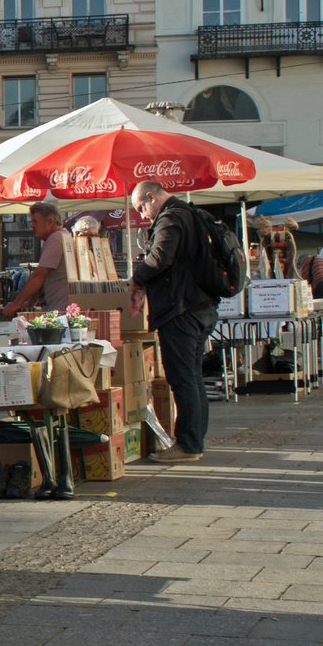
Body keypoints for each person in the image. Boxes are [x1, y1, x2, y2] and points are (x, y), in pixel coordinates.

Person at [129, 181, 221, 464]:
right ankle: (194, 441)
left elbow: (159, 258)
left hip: (181, 310)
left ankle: (188, 445)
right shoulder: (190, 213)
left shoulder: (171, 217)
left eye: (142, 208)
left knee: (182, 379)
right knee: (192, 378)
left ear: (151, 196)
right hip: (201, 306)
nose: (144, 215)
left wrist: (136, 279)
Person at [2, 200, 72, 319]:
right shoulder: (62, 235)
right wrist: (30, 303)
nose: (32, 225)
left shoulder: (55, 239)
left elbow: (40, 274)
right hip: (60, 309)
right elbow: (43, 278)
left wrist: (16, 303)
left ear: (50, 221)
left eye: (35, 221)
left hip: (60, 311)